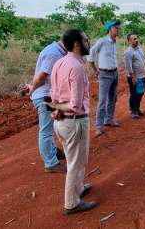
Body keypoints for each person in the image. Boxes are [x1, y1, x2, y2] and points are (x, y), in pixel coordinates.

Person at [47, 29, 98, 215]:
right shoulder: (76, 67)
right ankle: (71, 203)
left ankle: (78, 189)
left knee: (74, 159)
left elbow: (54, 95)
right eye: (86, 40)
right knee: (76, 163)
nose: (88, 42)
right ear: (77, 44)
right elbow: (76, 105)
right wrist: (59, 108)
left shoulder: (59, 63)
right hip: (75, 121)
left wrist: (56, 108)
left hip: (62, 122)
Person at [24, 40, 67, 173]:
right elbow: (42, 76)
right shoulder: (54, 53)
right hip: (44, 96)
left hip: (45, 94)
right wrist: (33, 89)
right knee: (46, 130)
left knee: (51, 127)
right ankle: (51, 163)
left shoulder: (54, 50)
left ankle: (53, 152)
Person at [87, 20, 121, 137]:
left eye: (118, 28)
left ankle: (109, 119)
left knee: (113, 97)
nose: (118, 30)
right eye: (116, 28)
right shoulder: (102, 41)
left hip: (115, 73)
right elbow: (90, 55)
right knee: (102, 100)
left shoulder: (114, 42)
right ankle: (99, 126)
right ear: (110, 29)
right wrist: (95, 70)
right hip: (105, 74)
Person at [124, 34, 145, 119]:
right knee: (134, 94)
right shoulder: (128, 52)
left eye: (137, 38)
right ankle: (133, 111)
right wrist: (133, 77)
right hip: (134, 77)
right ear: (129, 41)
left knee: (140, 93)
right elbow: (128, 66)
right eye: (134, 39)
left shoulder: (140, 49)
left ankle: (137, 109)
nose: (136, 40)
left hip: (142, 76)